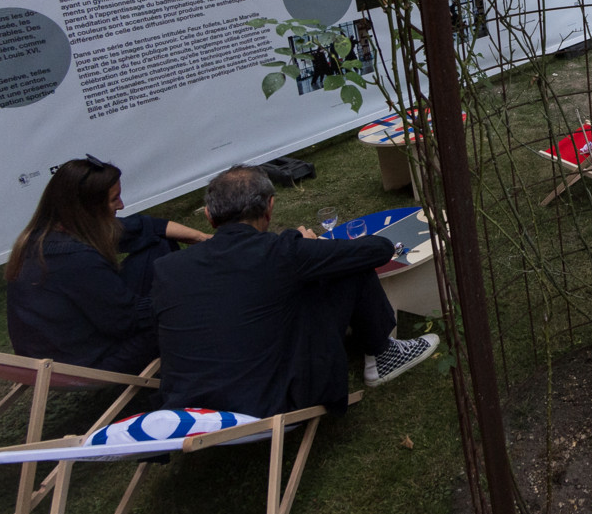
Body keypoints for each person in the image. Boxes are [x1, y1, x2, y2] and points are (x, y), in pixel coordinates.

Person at [150, 165, 438, 417]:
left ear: (209, 216)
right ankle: (383, 355)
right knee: (348, 264)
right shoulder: (281, 252)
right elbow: (379, 250)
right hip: (271, 402)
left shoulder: (167, 269)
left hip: (189, 409)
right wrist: (313, 247)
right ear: (270, 207)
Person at [5, 156, 211, 374]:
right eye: (114, 199)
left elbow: (143, 226)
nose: (121, 205)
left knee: (157, 244)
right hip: (86, 362)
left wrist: (203, 238)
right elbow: (126, 321)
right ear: (87, 207)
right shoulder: (75, 259)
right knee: (184, 312)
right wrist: (184, 295)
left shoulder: (49, 234)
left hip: (63, 348)